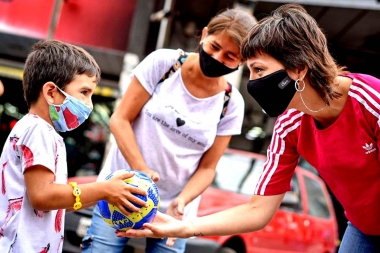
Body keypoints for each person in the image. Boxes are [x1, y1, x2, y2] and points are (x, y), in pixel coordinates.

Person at [118, 4, 380, 253]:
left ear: (299, 67)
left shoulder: (369, 100)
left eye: (258, 70)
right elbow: (258, 210)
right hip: (363, 228)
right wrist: (186, 226)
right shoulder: (289, 126)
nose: (252, 83)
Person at [82, 8, 256, 253]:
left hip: (174, 212)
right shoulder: (165, 64)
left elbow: (208, 168)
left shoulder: (232, 103)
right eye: (214, 46)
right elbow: (120, 119)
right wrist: (142, 173)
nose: (217, 58)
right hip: (122, 194)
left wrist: (182, 201)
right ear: (204, 35)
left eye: (230, 56)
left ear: (242, 61)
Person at [0, 40, 148, 253]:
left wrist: (102, 194)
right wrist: (103, 189)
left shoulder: (43, 131)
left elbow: (56, 202)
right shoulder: (38, 130)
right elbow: (42, 197)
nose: (89, 104)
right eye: (84, 92)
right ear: (51, 92)